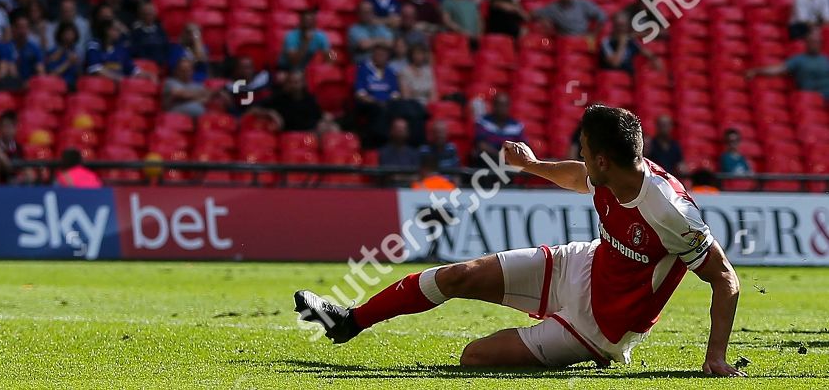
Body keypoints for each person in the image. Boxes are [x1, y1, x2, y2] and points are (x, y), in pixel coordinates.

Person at [295, 105, 742, 375]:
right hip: (581, 265)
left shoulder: (670, 211)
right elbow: (576, 174)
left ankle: (601, 355)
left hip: (599, 328)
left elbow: (724, 279)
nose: (580, 154)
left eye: (584, 148)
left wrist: (715, 357)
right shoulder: (608, 173)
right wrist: (531, 166)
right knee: (458, 276)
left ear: (604, 159)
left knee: (474, 358)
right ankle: (349, 321)